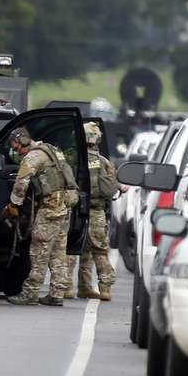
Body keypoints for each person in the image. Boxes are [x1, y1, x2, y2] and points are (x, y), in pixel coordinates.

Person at [3, 127, 79, 306]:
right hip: (65, 205)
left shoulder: (33, 156)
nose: (17, 152)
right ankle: (57, 293)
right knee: (58, 251)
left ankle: (30, 293)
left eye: (17, 148)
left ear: (22, 141)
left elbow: (21, 183)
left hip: (50, 208)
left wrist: (14, 204)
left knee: (39, 250)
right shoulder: (52, 150)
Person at [66, 122, 120, 301]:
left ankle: (67, 288)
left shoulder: (72, 158)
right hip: (97, 212)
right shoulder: (104, 162)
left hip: (75, 212)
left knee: (70, 248)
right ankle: (103, 288)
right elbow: (111, 188)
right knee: (98, 251)